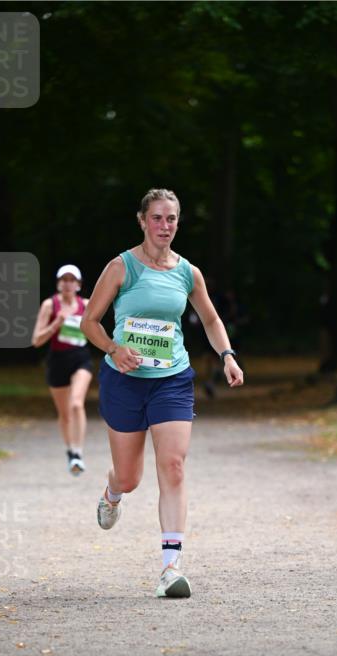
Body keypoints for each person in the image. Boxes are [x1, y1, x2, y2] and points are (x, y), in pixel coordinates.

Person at [81, 187, 244, 598]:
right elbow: (90, 322)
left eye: (171, 219)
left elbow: (210, 318)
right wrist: (114, 349)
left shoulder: (187, 272)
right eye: (157, 218)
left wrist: (226, 355)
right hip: (124, 381)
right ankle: (112, 492)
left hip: (172, 379)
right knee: (130, 477)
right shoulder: (121, 268)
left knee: (173, 467)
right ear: (142, 220)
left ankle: (170, 568)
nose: (164, 226)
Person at [32, 265, 93, 474]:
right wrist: (56, 324)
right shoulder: (50, 305)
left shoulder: (86, 305)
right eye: (64, 280)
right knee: (65, 413)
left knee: (76, 403)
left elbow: (96, 332)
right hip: (57, 361)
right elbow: (36, 340)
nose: (67, 283)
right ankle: (70, 451)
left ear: (78, 285)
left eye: (71, 280)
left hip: (81, 359)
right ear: (59, 283)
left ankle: (78, 451)